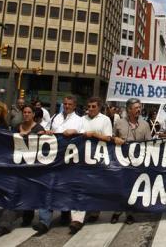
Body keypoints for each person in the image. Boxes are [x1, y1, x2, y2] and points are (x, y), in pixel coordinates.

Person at [33, 95, 83, 235]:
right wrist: (47, 132)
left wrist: (76, 132)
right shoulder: (55, 117)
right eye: (65, 104)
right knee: (48, 187)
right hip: (53, 159)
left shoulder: (79, 121)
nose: (66, 106)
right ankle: (44, 221)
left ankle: (68, 215)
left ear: (74, 106)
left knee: (69, 188)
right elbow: (48, 130)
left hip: (70, 160)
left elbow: (84, 138)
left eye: (69, 104)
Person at [0, 105, 45, 235]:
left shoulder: (39, 129)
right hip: (17, 167)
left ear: (33, 114)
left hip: (32, 168)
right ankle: (6, 223)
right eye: (24, 112)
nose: (26, 114)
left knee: (26, 194)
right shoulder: (17, 128)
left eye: (29, 112)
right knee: (15, 194)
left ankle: (23, 217)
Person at [69, 97, 113, 235]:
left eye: (94, 106)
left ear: (99, 107)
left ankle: (94, 210)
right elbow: (76, 133)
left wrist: (94, 134)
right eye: (89, 106)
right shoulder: (82, 119)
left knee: (95, 186)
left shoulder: (105, 120)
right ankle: (77, 219)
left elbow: (108, 138)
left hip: (98, 159)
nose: (91, 109)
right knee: (80, 187)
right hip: (82, 159)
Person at [112, 98, 151, 224]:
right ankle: (117, 212)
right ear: (128, 110)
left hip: (137, 162)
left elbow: (149, 143)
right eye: (136, 108)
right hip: (121, 161)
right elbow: (112, 138)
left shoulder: (145, 124)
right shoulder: (118, 123)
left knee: (132, 187)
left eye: (139, 107)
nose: (139, 110)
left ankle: (130, 214)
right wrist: (115, 139)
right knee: (120, 187)